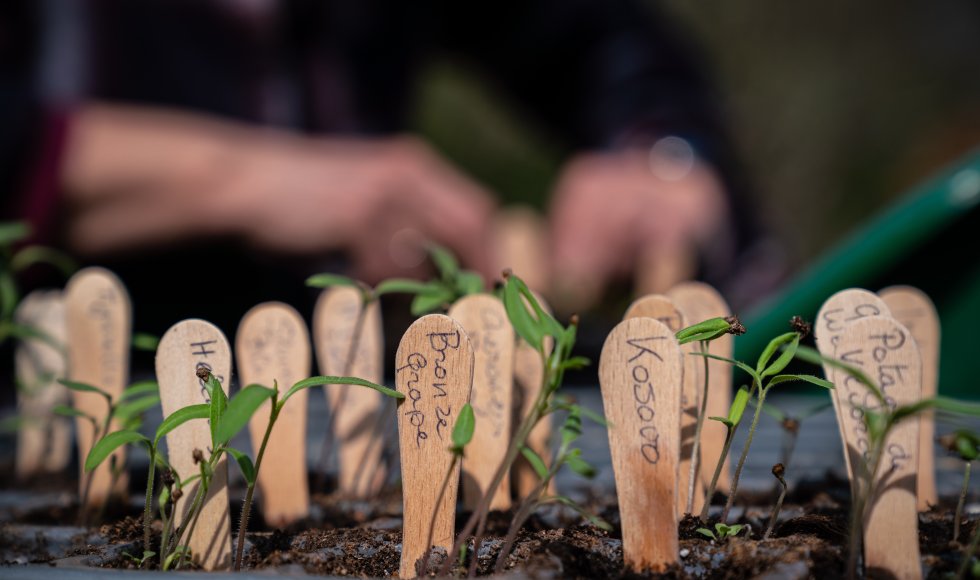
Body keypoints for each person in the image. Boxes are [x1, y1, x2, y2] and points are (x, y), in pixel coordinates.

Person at [1, 0, 764, 327]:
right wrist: (246, 180)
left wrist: (660, 158)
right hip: (62, 395)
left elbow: (608, 41)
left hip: (361, 399)